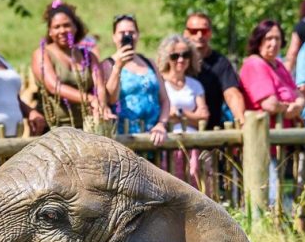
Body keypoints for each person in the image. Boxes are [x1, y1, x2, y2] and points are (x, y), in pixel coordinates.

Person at [32, 0, 108, 130]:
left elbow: (99, 86)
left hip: (86, 126)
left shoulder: (89, 56)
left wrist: (101, 105)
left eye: (67, 25)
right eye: (57, 27)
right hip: (54, 128)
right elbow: (53, 86)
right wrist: (90, 99)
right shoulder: (42, 54)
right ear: (50, 31)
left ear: (75, 27)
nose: (62, 30)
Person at [102, 14, 169, 142]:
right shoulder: (107, 65)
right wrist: (118, 67)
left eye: (131, 32)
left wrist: (161, 124)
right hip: (124, 139)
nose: (127, 36)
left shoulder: (150, 63)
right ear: (114, 37)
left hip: (154, 137)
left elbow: (165, 100)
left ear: (137, 35)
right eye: (122, 32)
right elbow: (111, 99)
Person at [158, 35, 208, 188]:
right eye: (175, 56)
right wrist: (191, 115)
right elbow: (163, 115)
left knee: (195, 180)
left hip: (193, 143)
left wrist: (180, 113)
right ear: (167, 58)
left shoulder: (195, 85)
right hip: (169, 143)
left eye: (185, 55)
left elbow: (204, 116)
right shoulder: (161, 82)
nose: (181, 60)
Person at [183, 12, 246, 127]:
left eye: (204, 31)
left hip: (212, 134)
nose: (199, 35)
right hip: (178, 131)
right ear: (185, 33)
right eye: (193, 31)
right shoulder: (177, 60)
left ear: (210, 34)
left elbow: (232, 94)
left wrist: (242, 121)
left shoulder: (221, 62)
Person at [239, 20, 305, 125]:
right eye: (269, 38)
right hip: (265, 134)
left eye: (277, 38)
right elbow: (270, 105)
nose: (274, 43)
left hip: (285, 135)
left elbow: (300, 95)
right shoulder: (255, 64)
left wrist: (297, 107)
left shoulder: (279, 65)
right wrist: (289, 108)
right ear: (259, 41)